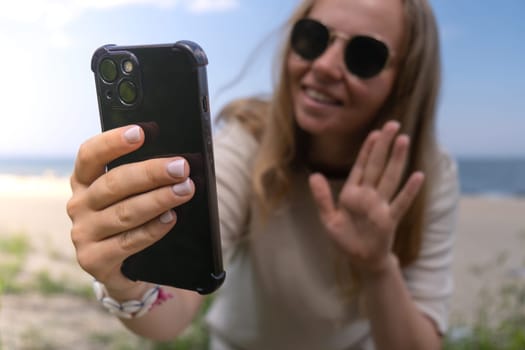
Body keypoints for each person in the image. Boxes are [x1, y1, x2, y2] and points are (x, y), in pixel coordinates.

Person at [66, 0, 459, 348]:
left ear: (406, 80)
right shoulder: (248, 141)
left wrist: (378, 266)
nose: (324, 65)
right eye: (312, 38)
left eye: (364, 55)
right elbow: (173, 308)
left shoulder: (427, 174)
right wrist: (125, 278)